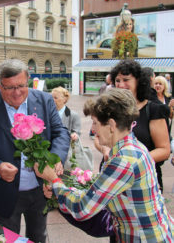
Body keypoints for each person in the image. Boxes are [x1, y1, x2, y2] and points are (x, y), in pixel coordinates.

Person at [34, 88, 174, 242]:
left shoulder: (123, 160)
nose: (93, 130)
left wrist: (54, 180)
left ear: (112, 125)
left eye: (95, 123)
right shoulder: (133, 148)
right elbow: (99, 194)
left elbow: (82, 208)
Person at [0, 59, 70, 243]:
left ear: (28, 80)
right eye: (9, 88)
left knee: (39, 236)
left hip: (40, 189)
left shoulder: (44, 100)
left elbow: (60, 133)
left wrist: (55, 159)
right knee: (7, 239)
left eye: (21, 86)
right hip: (3, 191)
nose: (16, 93)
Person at [111, 59, 170, 193]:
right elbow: (98, 138)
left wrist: (133, 163)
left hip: (143, 179)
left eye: (126, 80)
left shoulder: (154, 110)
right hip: (114, 179)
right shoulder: (112, 109)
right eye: (117, 80)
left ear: (138, 81)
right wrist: (103, 148)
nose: (120, 85)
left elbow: (164, 150)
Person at [51, 86, 81, 170]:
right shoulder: (49, 114)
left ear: (64, 99)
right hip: (50, 152)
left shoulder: (73, 115)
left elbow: (77, 133)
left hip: (66, 154)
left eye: (55, 98)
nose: (53, 100)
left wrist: (74, 135)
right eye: (51, 97)